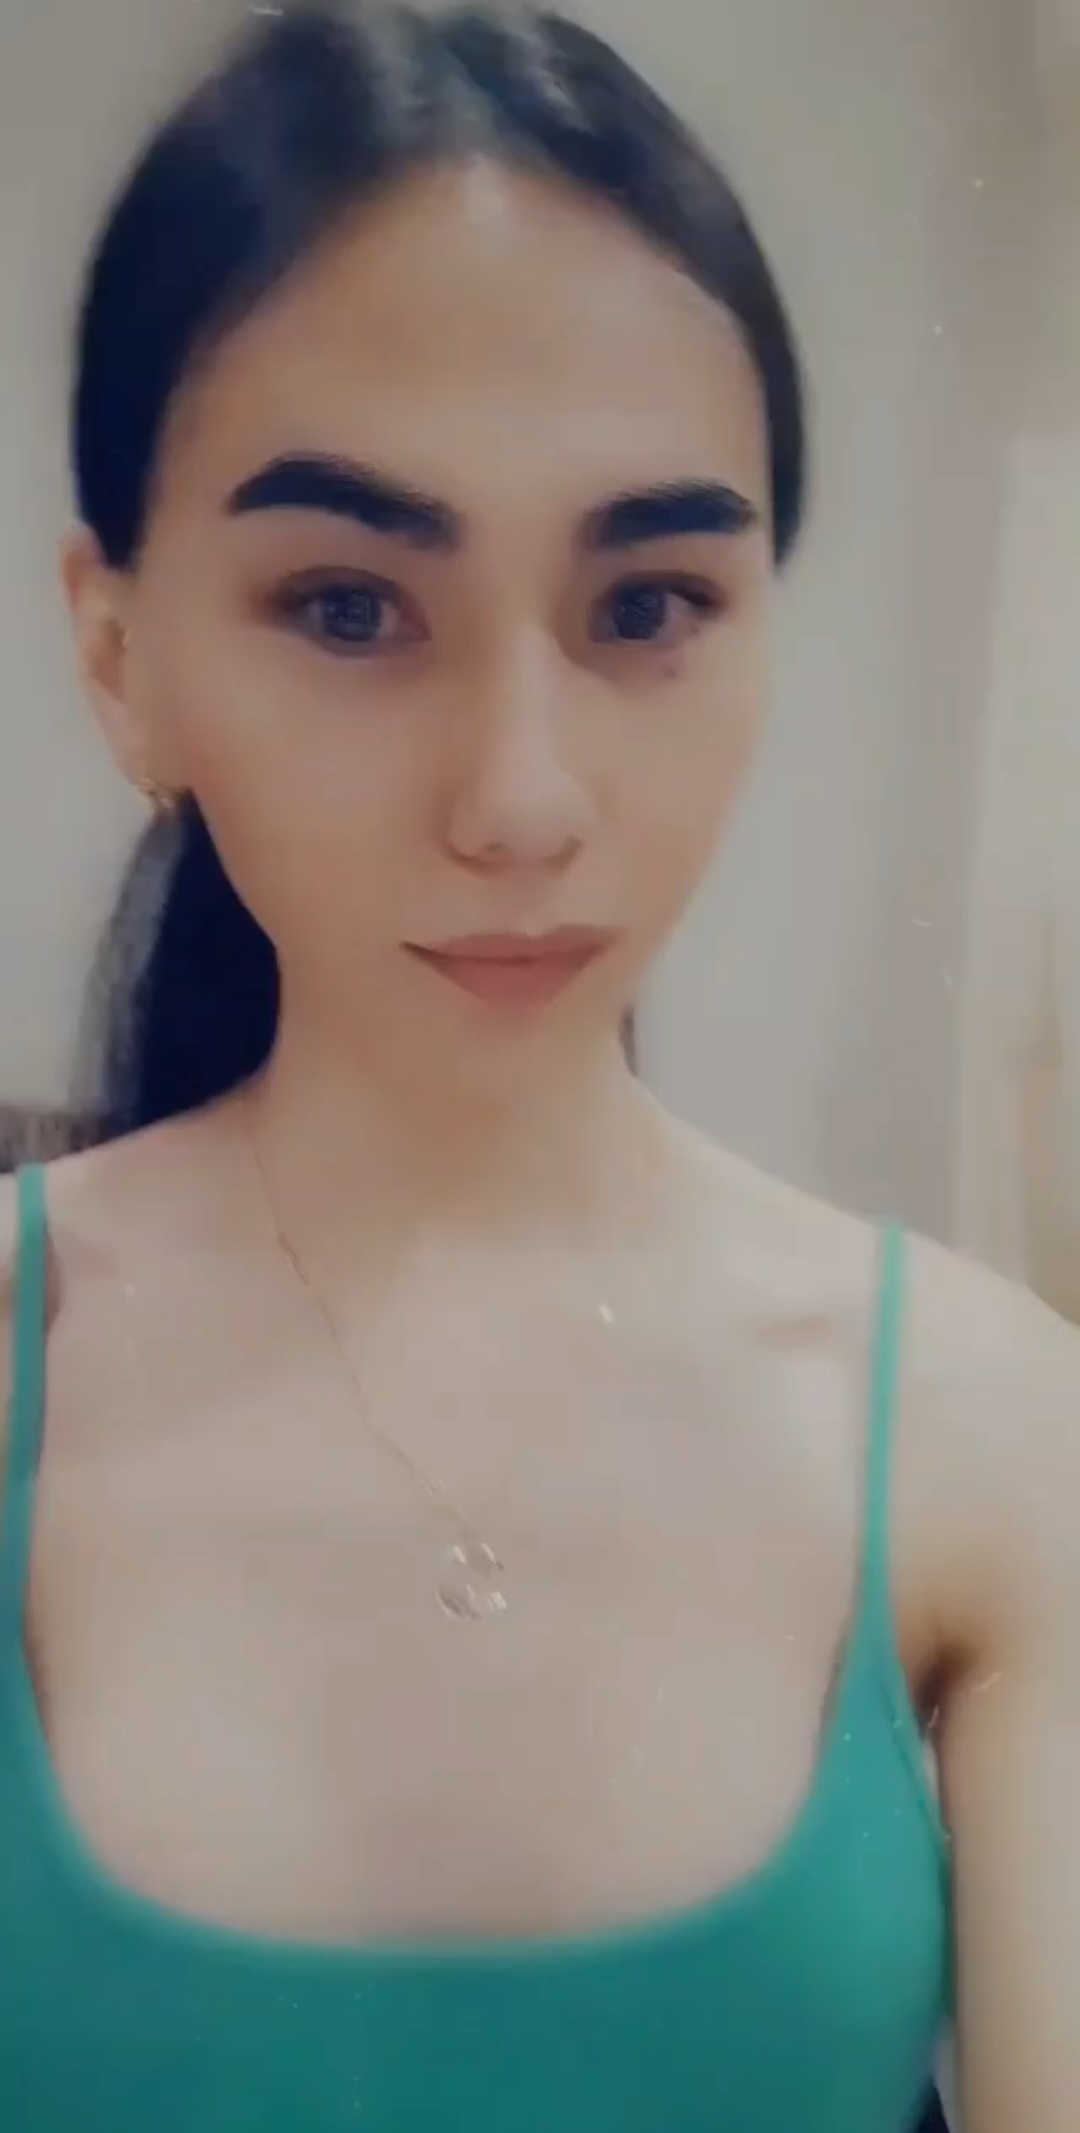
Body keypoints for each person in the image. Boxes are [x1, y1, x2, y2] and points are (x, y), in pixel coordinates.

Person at [0, 6, 1075, 2129]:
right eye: (347, 606)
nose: (521, 799)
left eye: (649, 603)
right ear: (123, 662)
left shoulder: (993, 1430)